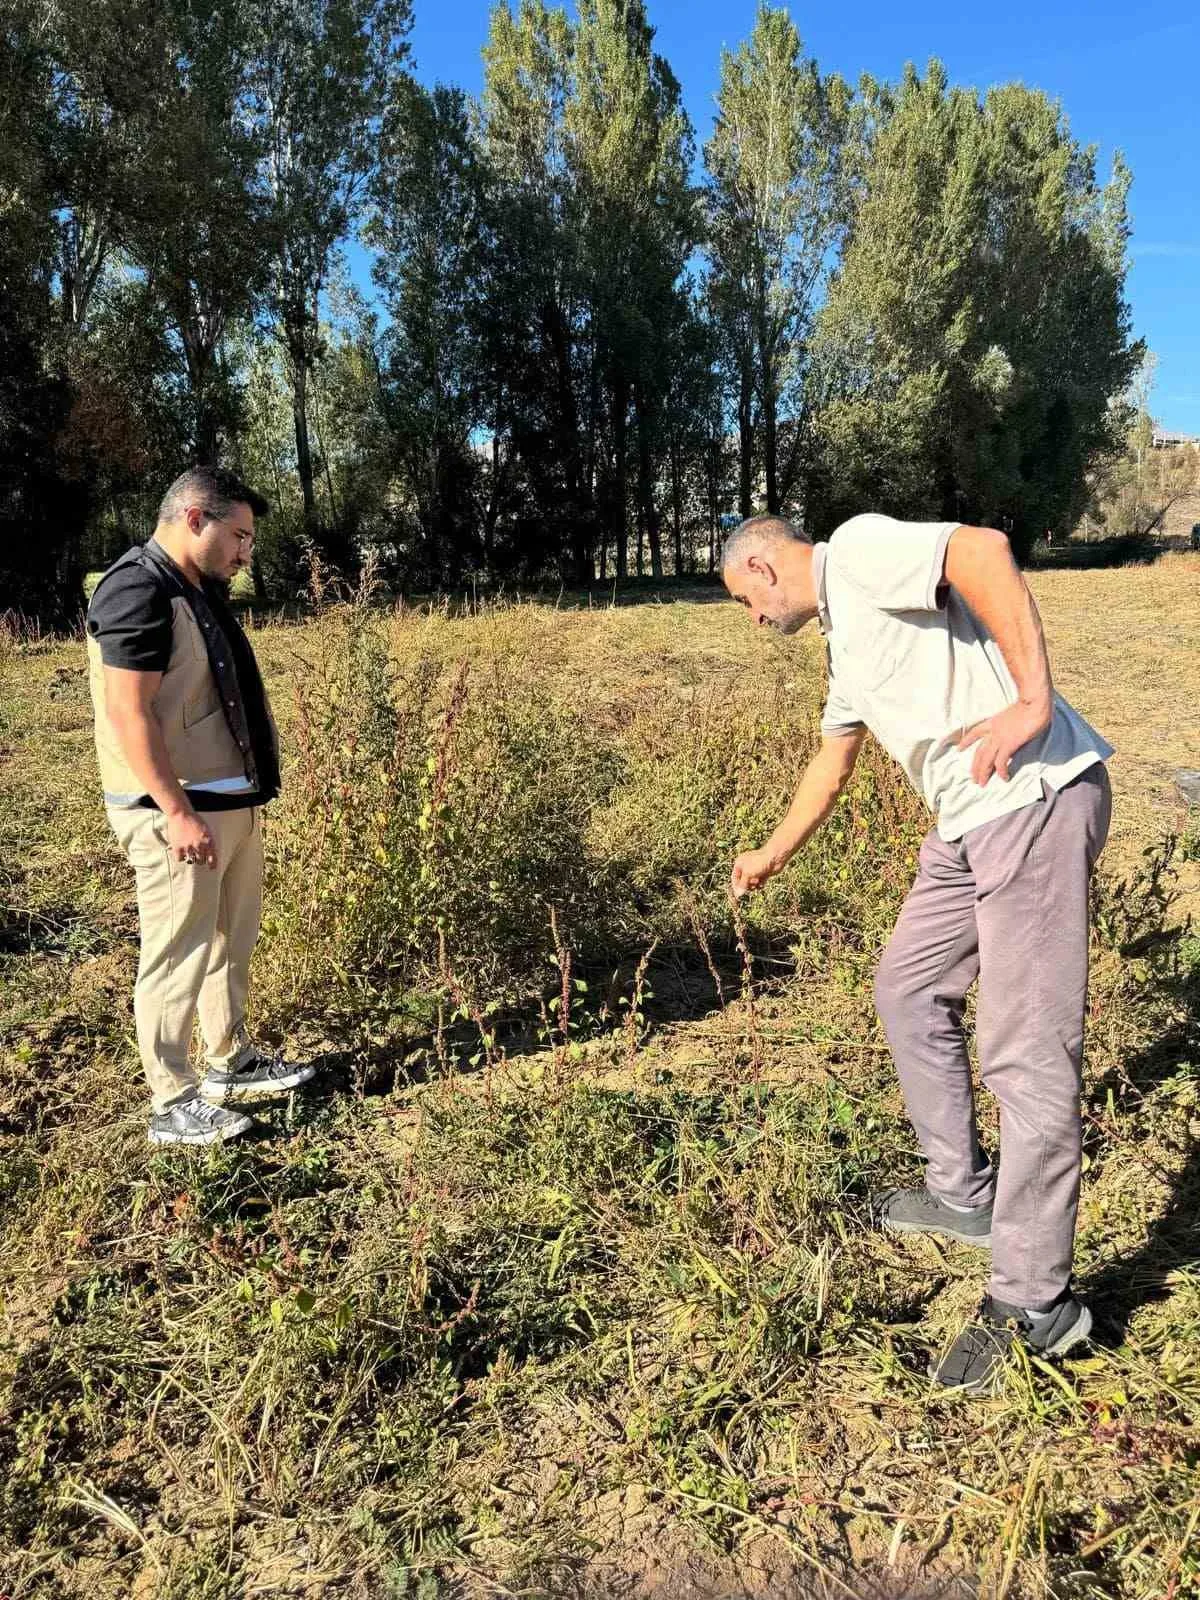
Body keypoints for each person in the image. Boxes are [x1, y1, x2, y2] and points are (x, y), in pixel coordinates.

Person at [721, 511, 1113, 1394]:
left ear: (760, 564)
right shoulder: (847, 643)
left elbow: (983, 551)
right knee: (905, 987)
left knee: (1024, 1052)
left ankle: (1035, 1302)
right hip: (968, 824)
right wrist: (770, 855)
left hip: (1031, 802)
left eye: (745, 601)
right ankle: (962, 1194)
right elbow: (832, 763)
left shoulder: (856, 552)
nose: (752, 620)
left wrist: (1032, 703)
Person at [86, 466, 316, 1146]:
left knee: (228, 939)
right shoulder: (136, 588)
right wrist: (176, 811)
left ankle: (230, 1060)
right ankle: (171, 1099)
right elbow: (128, 714)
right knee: (176, 948)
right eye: (239, 535)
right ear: (194, 517)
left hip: (230, 799)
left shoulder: (198, 588)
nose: (247, 552)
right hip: (178, 811)